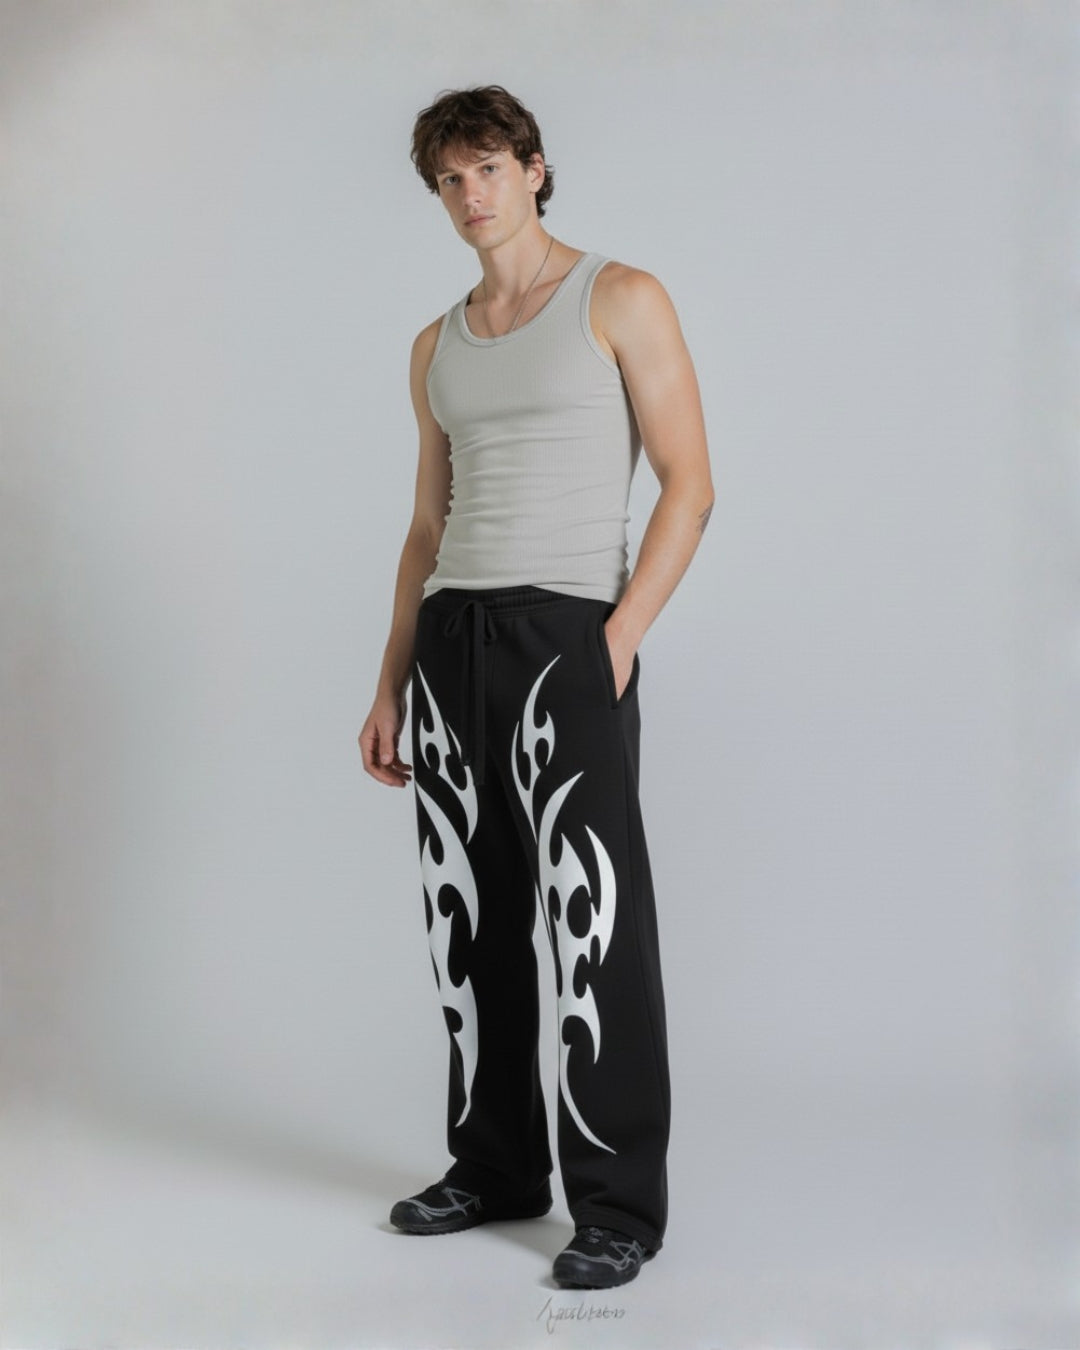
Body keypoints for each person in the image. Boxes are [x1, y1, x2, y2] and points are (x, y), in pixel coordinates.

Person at [358, 84, 713, 1289]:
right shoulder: (436, 344)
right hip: (452, 638)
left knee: (591, 922)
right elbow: (425, 525)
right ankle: (496, 1166)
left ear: (536, 169)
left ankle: (617, 1208)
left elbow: (689, 484)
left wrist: (618, 638)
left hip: (569, 632)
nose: (471, 195)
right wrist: (390, 681)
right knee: (469, 919)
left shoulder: (621, 296)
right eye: (449, 180)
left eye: (489, 169)